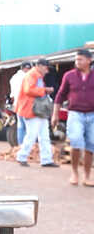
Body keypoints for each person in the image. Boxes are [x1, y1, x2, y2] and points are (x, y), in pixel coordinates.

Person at [51, 49, 94, 186]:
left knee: (91, 145)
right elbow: (60, 95)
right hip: (75, 114)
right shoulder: (69, 76)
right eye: (76, 60)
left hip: (92, 114)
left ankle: (87, 176)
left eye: (80, 59)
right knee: (75, 141)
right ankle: (75, 173)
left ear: (89, 60)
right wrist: (55, 114)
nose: (77, 62)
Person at [15, 58, 58, 167]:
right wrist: (45, 90)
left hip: (38, 110)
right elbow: (28, 90)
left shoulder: (36, 75)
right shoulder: (32, 75)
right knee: (32, 134)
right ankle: (21, 156)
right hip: (31, 109)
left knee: (44, 135)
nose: (47, 71)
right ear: (39, 66)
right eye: (46, 68)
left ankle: (46, 159)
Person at [9, 61, 32, 145]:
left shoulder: (14, 77)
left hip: (17, 104)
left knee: (20, 125)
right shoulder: (27, 77)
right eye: (29, 68)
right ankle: (26, 146)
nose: (29, 70)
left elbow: (12, 95)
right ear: (25, 68)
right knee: (27, 126)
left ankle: (20, 145)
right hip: (26, 104)